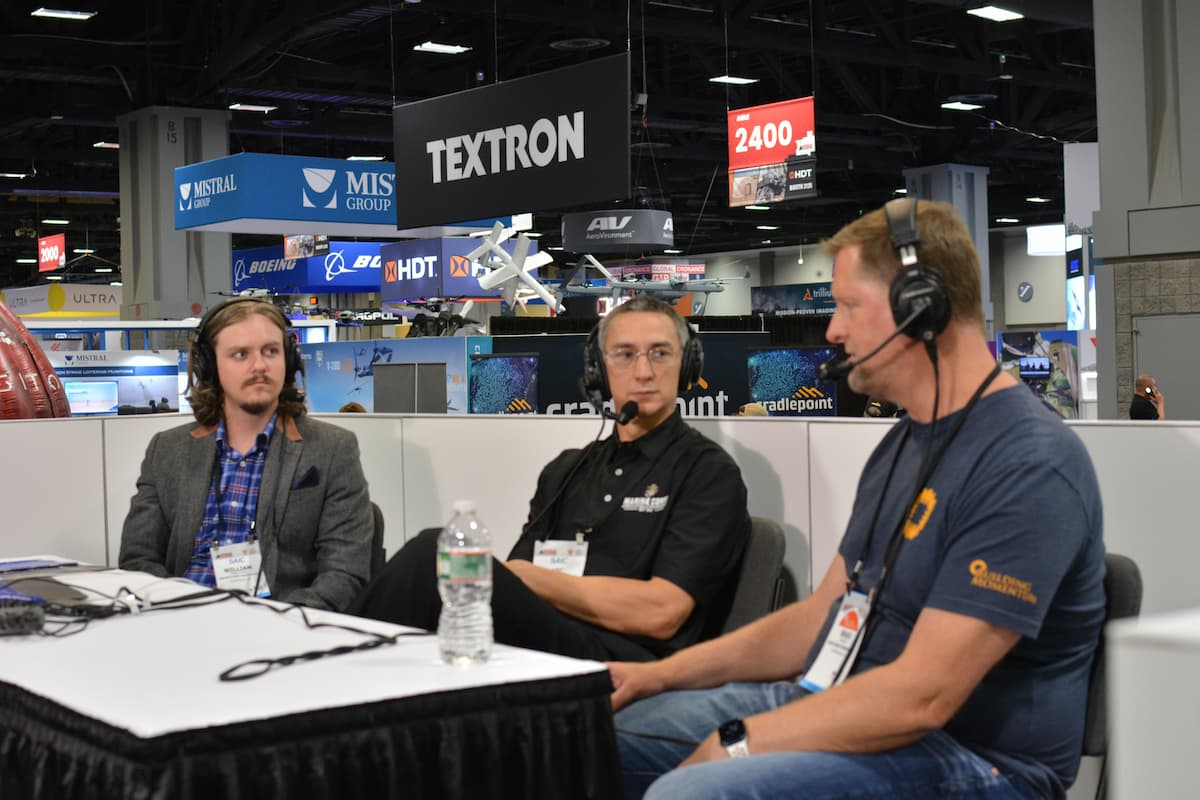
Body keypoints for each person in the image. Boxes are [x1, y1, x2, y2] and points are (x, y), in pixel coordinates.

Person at [611, 199, 1105, 800]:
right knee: (597, 733)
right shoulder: (904, 442)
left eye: (847, 306)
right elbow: (825, 613)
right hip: (849, 701)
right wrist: (656, 676)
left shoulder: (1029, 464)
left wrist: (739, 741)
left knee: (693, 793)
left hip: (976, 761)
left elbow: (921, 698)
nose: (833, 330)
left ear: (920, 309)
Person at [349, 296, 751, 662]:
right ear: (599, 370)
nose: (644, 371)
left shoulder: (708, 473)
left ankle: (333, 667)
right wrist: (526, 581)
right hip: (543, 639)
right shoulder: (568, 469)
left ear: (687, 365)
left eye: (660, 353)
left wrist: (533, 580)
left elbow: (661, 613)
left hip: (621, 659)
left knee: (432, 554)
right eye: (624, 355)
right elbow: (520, 574)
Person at [119, 299, 373, 612]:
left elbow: (345, 573)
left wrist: (278, 624)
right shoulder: (168, 450)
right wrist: (174, 610)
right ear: (209, 366)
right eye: (241, 354)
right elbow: (137, 558)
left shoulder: (333, 448)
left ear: (288, 360)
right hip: (179, 624)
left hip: (280, 630)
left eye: (271, 351)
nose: (259, 366)